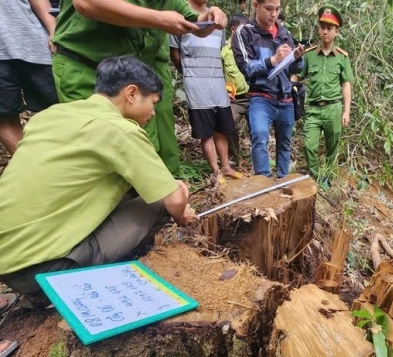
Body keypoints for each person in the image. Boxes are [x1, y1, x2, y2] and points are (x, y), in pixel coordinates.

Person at [0, 56, 197, 303]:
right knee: (159, 204)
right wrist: (180, 212)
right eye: (153, 103)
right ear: (132, 94)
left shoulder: (51, 116)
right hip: (47, 273)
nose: (153, 113)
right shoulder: (120, 130)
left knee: (129, 193)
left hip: (8, 265)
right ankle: (111, 278)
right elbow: (173, 200)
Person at [50, 0, 227, 176]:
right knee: (97, 154)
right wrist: (159, 19)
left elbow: (196, 21)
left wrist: (210, 18)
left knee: (142, 148)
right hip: (86, 68)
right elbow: (87, 4)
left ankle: (154, 199)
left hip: (132, 76)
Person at [170, 0, 242, 183]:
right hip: (197, 87)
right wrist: (190, 74)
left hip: (217, 85)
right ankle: (216, 171)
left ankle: (226, 167)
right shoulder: (180, 15)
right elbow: (175, 54)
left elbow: (218, 53)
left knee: (222, 129)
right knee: (206, 132)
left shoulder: (219, 19)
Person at [232, 0, 304, 178]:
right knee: (259, 136)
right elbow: (246, 67)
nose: (274, 15)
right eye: (269, 9)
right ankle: (263, 183)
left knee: (285, 143)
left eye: (277, 9)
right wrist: (273, 60)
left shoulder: (284, 32)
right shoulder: (245, 32)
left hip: (286, 97)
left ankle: (283, 181)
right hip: (261, 97)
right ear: (256, 5)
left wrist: (298, 58)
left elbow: (294, 69)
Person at [292, 5, 354, 188]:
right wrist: (289, 84)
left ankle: (326, 178)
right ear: (318, 29)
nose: (325, 32)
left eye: (329, 28)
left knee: (332, 146)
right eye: (322, 27)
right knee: (309, 145)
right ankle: (315, 175)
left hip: (333, 108)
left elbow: (346, 85)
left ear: (336, 31)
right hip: (313, 109)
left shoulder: (342, 57)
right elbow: (298, 76)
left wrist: (346, 111)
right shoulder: (310, 55)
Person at [0, 0, 58, 154]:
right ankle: (32, 165)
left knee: (61, 108)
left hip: (31, 42)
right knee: (4, 115)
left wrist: (53, 29)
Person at [222, 14, 250, 166]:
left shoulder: (250, 47)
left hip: (253, 96)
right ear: (233, 30)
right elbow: (219, 74)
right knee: (229, 122)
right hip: (235, 99)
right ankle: (233, 159)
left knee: (259, 126)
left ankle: (259, 158)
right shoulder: (224, 51)